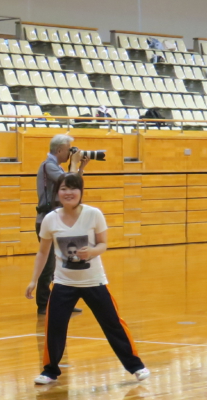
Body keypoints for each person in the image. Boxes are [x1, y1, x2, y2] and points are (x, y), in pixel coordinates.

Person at [25, 172, 148, 385]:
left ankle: (136, 366)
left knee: (113, 325)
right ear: (57, 192)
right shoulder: (50, 219)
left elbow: (103, 244)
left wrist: (91, 252)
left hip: (94, 282)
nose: (68, 192)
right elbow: (43, 252)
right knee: (54, 327)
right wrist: (34, 280)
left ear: (81, 192)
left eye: (73, 188)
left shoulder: (93, 214)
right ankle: (50, 371)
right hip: (64, 283)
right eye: (63, 188)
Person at [34, 134, 89, 315]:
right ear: (59, 150)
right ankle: (44, 304)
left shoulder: (57, 167)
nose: (70, 153)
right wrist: (74, 164)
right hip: (47, 220)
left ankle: (64, 302)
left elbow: (73, 187)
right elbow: (68, 182)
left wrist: (80, 167)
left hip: (59, 219)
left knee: (64, 264)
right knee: (49, 265)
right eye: (68, 150)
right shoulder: (48, 166)